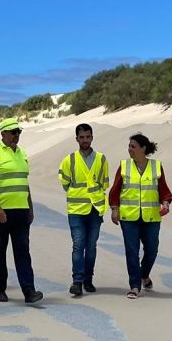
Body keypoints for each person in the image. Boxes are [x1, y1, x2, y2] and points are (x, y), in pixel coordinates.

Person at [0, 118, 44, 304]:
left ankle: (29, 291)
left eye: (18, 132)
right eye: (13, 132)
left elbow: (24, 183)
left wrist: (30, 207)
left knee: (23, 251)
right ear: (3, 134)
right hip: (2, 211)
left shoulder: (22, 153)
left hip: (21, 211)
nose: (16, 135)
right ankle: (0, 289)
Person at [109, 133, 172, 299]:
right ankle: (135, 286)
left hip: (151, 217)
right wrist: (114, 209)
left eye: (133, 146)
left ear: (143, 148)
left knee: (152, 249)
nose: (129, 149)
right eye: (129, 146)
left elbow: (164, 190)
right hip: (128, 217)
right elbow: (115, 190)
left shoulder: (156, 166)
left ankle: (144, 274)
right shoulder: (124, 166)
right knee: (132, 251)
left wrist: (166, 203)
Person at [59, 123, 109, 296]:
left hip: (95, 209)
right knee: (78, 245)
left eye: (88, 137)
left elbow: (104, 183)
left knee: (91, 246)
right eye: (82, 137)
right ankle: (77, 281)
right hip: (76, 209)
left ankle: (88, 279)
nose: (85, 140)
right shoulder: (69, 160)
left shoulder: (101, 159)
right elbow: (65, 183)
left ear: (92, 137)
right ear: (77, 139)